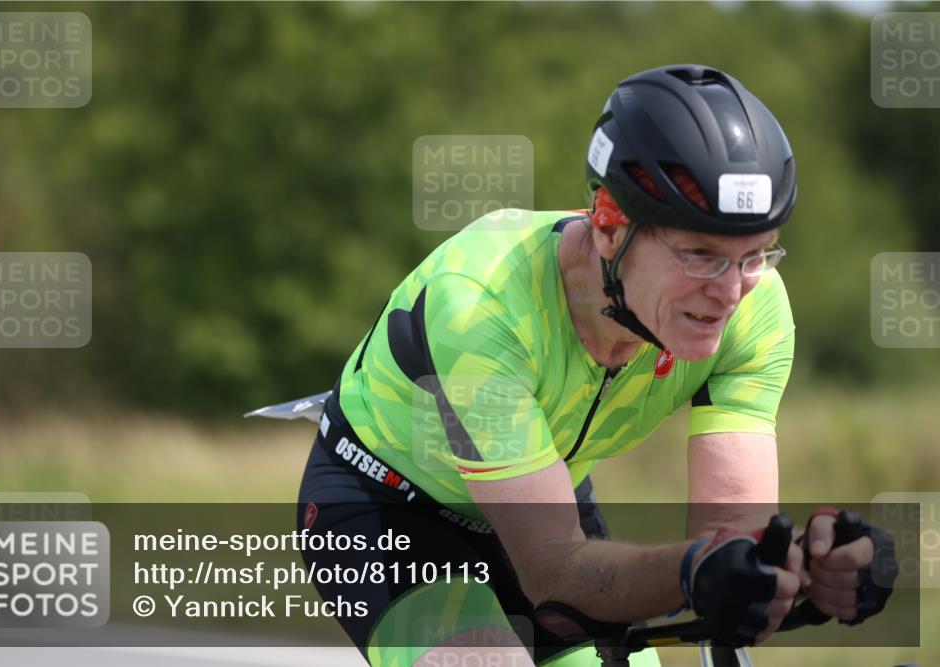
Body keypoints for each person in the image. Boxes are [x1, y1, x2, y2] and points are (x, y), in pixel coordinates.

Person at [295, 64, 896, 666]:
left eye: (755, 255)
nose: (730, 292)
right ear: (609, 228)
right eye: (701, 255)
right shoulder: (482, 305)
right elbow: (552, 571)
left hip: (542, 491)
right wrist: (691, 572)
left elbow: (731, 542)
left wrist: (805, 568)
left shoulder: (756, 308)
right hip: (389, 508)